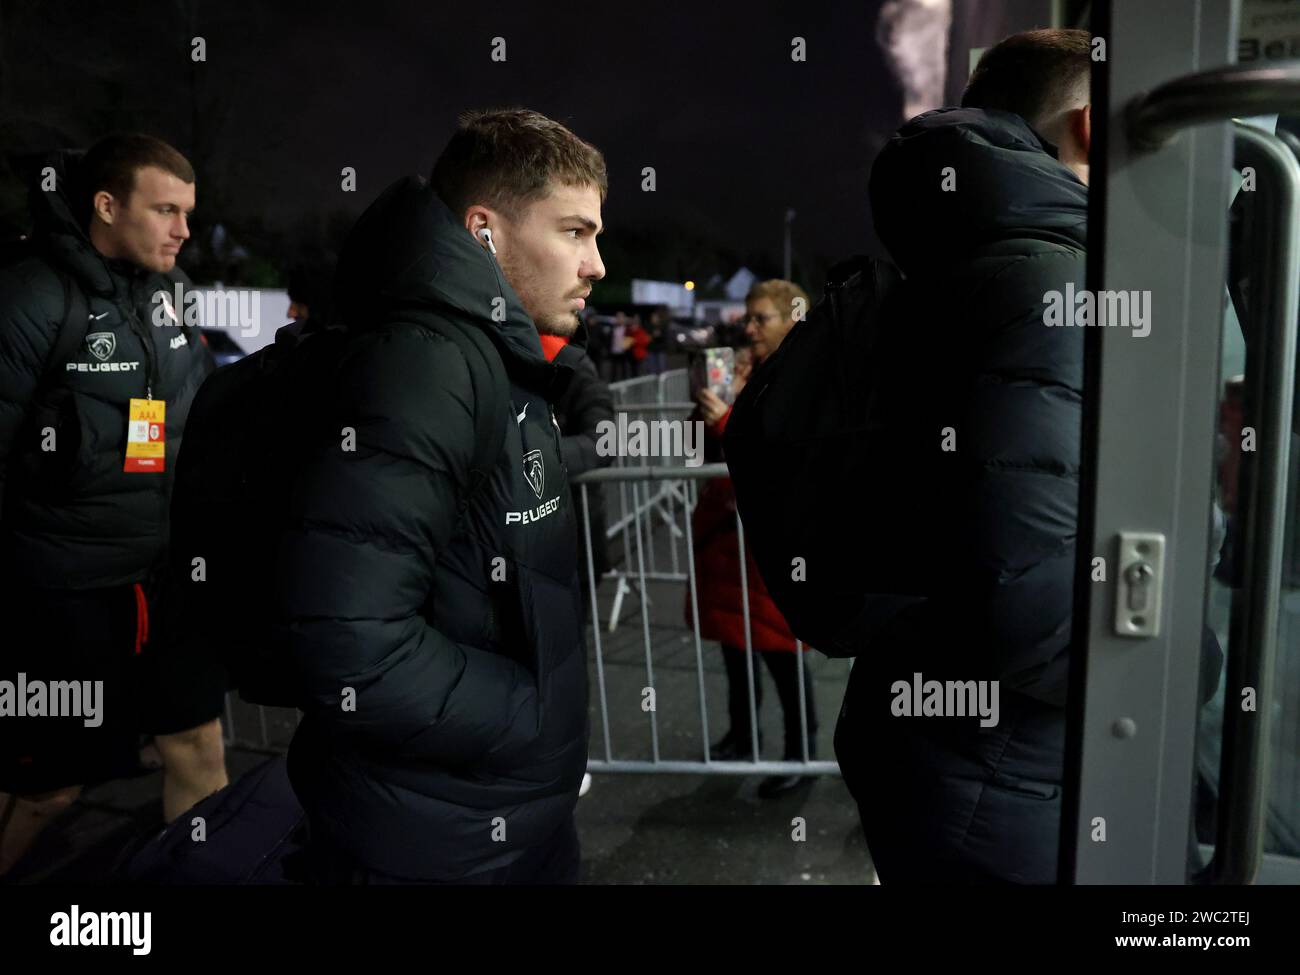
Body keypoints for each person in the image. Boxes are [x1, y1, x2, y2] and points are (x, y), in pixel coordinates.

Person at [281, 108, 606, 884]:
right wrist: (528, 712)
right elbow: (351, 643)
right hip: (433, 837)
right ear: (485, 230)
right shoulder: (429, 366)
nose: (596, 262)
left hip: (495, 811)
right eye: (574, 232)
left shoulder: (489, 355)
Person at [834, 28, 1092, 883]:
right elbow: (1036, 610)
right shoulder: (1057, 287)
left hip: (935, 745)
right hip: (1007, 776)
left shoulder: (958, 266)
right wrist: (1192, 665)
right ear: (1090, 129)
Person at [0, 135, 225, 876]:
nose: (183, 229)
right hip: (67, 595)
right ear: (106, 204)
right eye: (166, 209)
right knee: (49, 789)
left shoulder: (174, 292)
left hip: (165, 582)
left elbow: (182, 426)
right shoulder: (32, 293)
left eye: (187, 213)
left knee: (198, 749)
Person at [689, 279, 817, 799]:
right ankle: (743, 736)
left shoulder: (808, 378)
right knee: (735, 645)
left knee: (780, 649)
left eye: (760, 318)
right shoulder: (750, 375)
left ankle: (800, 753)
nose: (749, 327)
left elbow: (785, 458)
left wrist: (728, 424)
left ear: (793, 321)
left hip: (769, 538)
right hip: (726, 536)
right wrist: (706, 412)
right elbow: (702, 454)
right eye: (747, 318)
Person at [538, 325, 614, 800]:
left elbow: (605, 437)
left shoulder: (570, 362)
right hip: (516, 547)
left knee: (564, 655)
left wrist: (534, 456)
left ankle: (572, 755)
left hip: (571, 539)